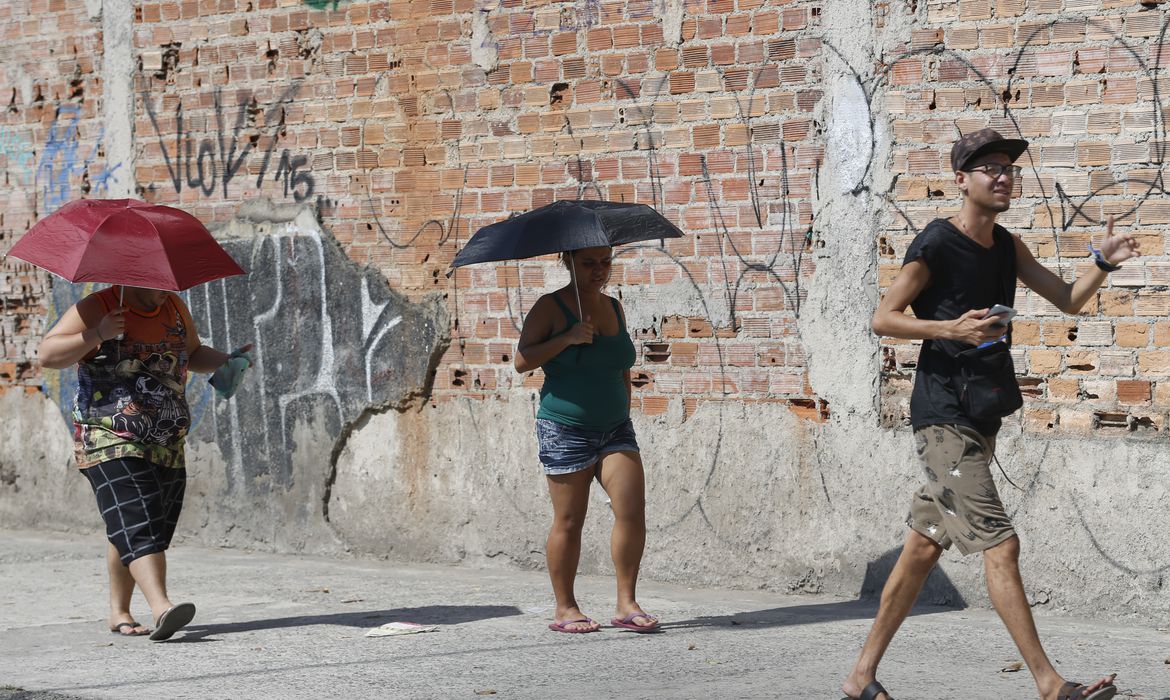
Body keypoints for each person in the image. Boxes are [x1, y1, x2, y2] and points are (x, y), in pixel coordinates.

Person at [842, 129, 1138, 700]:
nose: (1004, 176)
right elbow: (884, 318)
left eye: (1008, 168)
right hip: (943, 414)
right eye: (990, 168)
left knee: (924, 546)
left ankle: (860, 677)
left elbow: (1068, 299)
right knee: (1001, 545)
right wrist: (948, 327)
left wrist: (1103, 261)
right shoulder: (935, 243)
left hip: (982, 412)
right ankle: (1050, 684)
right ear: (962, 180)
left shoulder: (1007, 246)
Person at [38, 284, 250, 641]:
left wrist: (225, 361)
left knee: (135, 522)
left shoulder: (174, 308)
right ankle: (162, 607)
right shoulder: (98, 306)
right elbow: (48, 354)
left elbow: (191, 352)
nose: (166, 291)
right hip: (108, 437)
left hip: (165, 441)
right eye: (159, 286)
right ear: (134, 276)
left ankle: (118, 611)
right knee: (139, 516)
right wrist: (98, 333)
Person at [514, 246, 658, 633]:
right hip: (564, 428)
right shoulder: (551, 307)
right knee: (570, 520)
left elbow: (621, 367)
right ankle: (565, 608)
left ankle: (626, 603)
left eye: (605, 262)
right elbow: (522, 361)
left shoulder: (614, 308)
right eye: (588, 263)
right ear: (568, 262)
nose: (599, 270)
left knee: (631, 511)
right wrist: (568, 337)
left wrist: (624, 410)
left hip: (615, 428)